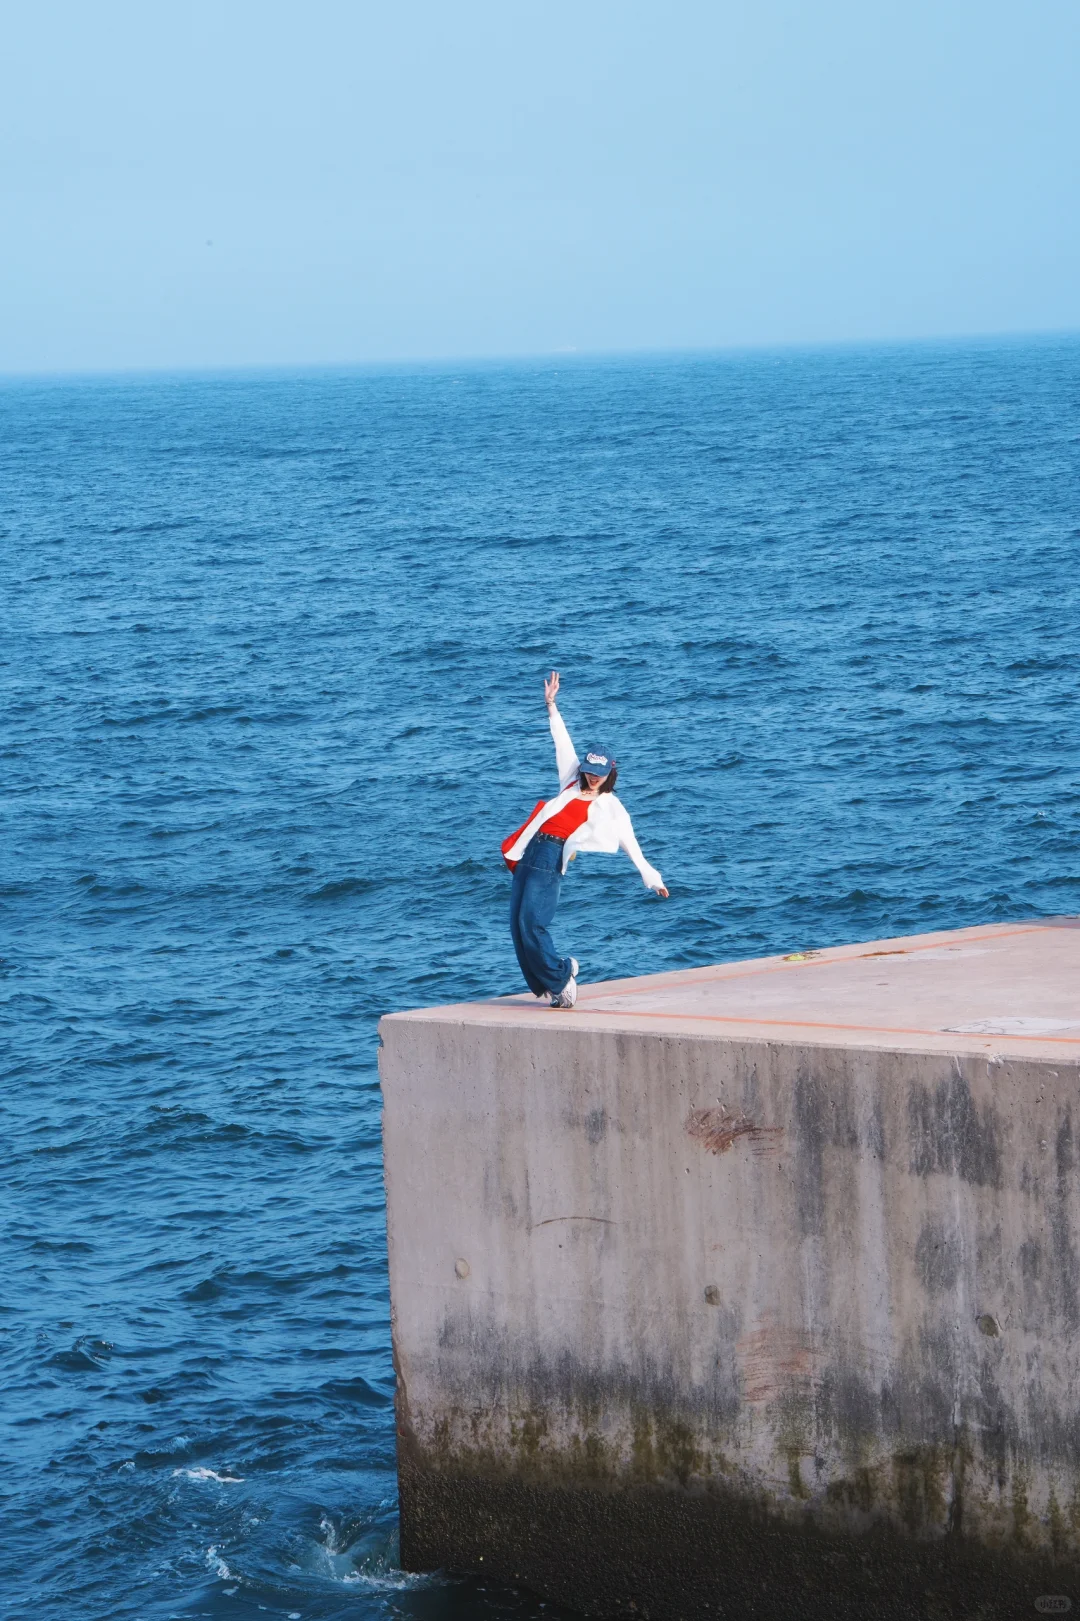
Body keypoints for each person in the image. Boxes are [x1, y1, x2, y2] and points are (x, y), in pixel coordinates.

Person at [502, 671, 668, 1009]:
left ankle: (563, 977)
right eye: (589, 771)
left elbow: (629, 843)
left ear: (609, 774)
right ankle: (554, 985)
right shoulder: (570, 781)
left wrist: (651, 878)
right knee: (517, 928)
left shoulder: (609, 805)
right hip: (529, 851)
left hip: (551, 858)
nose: (591, 778)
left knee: (532, 923)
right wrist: (551, 705)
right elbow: (562, 742)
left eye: (598, 774)